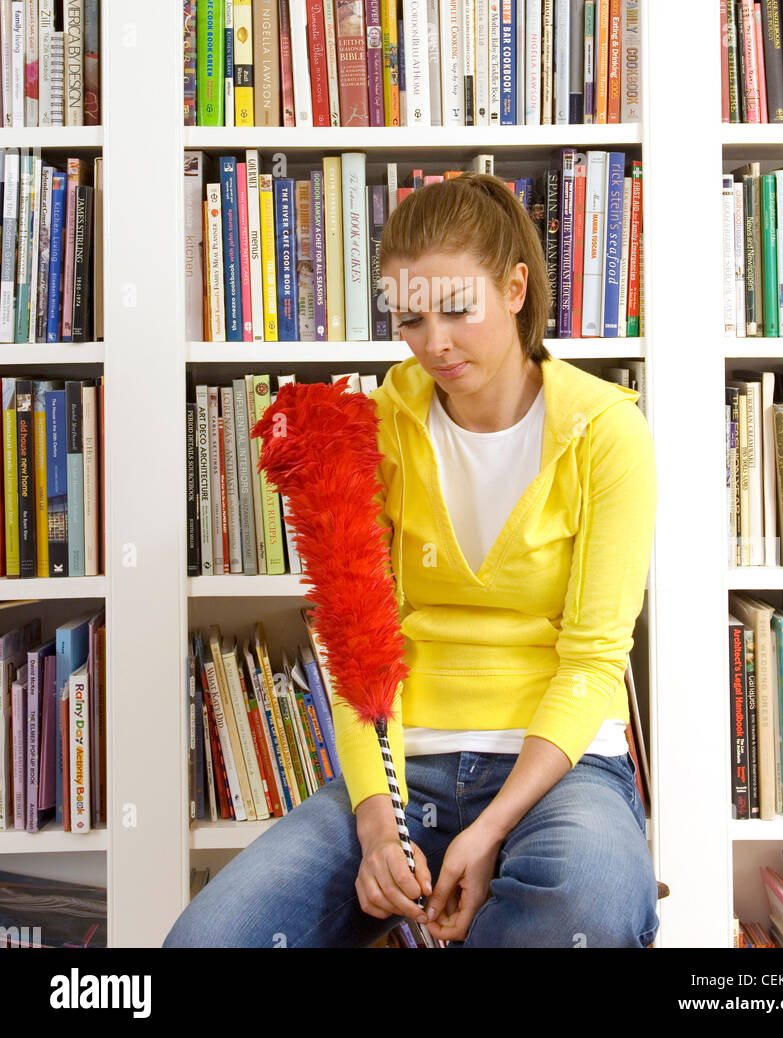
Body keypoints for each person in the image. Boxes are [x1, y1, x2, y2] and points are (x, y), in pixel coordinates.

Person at [163, 173, 659, 949]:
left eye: (458, 310)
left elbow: (594, 661)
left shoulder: (605, 434)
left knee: (585, 910)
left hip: (560, 772)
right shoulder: (371, 432)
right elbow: (358, 646)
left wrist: (490, 830)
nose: (435, 343)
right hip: (405, 764)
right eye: (411, 318)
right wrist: (374, 829)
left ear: (515, 287)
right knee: (206, 942)